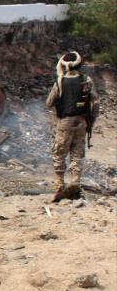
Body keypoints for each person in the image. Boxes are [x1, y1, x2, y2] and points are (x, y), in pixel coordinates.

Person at [46, 51, 99, 199]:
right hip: (81, 121)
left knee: (59, 153)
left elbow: (49, 102)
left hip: (65, 122)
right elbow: (95, 102)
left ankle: (59, 184)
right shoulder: (87, 80)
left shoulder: (61, 81)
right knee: (77, 153)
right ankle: (75, 182)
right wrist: (91, 120)